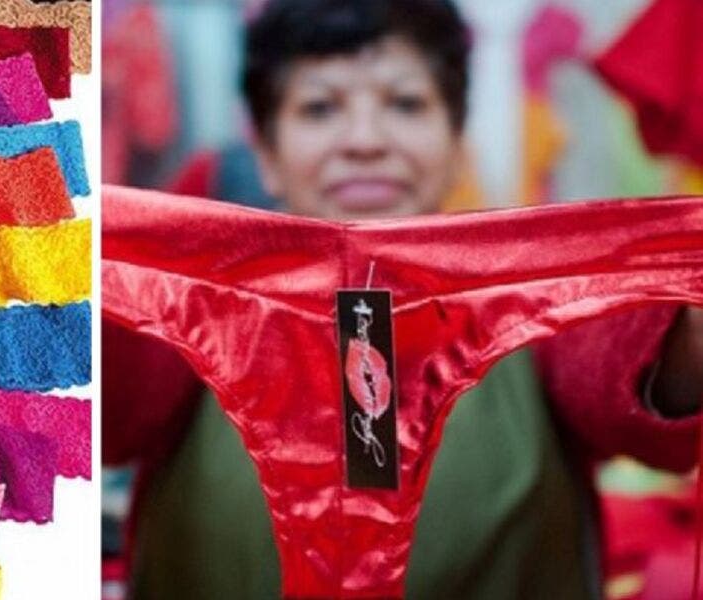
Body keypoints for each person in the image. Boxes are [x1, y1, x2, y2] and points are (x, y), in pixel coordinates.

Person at [101, 1, 703, 598]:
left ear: (456, 141)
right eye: (320, 108)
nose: (365, 141)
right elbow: (109, 393)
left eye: (406, 104)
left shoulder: (535, 296)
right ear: (266, 154)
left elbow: (628, 356)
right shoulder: (185, 304)